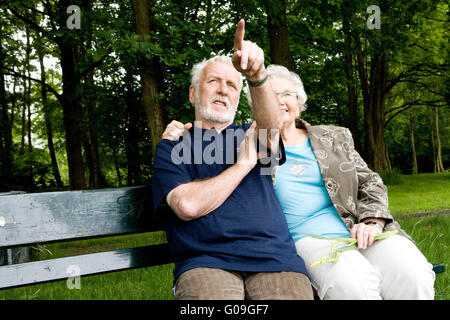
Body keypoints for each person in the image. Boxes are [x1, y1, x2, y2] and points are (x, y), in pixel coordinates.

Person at [164, 64, 436, 300]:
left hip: (359, 229)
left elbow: (371, 183)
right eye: (271, 95)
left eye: (287, 94)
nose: (280, 101)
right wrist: (181, 130)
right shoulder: (252, 142)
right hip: (307, 240)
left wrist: (372, 221)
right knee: (356, 288)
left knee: (414, 274)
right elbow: (209, 136)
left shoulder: (334, 137)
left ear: (300, 101)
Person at [152, 20, 313, 300]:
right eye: (213, 81)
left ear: (239, 98)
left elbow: (272, 125)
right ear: (193, 93)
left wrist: (256, 75)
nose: (223, 90)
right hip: (206, 262)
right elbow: (186, 205)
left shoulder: (251, 133)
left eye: (232, 85)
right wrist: (244, 164)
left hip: (274, 260)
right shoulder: (174, 145)